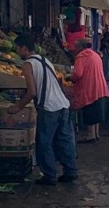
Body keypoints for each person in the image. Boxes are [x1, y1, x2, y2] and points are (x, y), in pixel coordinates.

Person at [8, 33, 77, 185]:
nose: (17, 52)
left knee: (44, 142)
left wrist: (18, 107)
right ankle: (70, 171)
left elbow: (31, 91)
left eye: (18, 49)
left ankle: (50, 176)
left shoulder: (28, 65)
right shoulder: (46, 60)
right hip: (62, 104)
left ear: (24, 49)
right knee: (64, 141)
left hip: (49, 107)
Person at [70, 38, 109, 143]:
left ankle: (91, 135)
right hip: (100, 86)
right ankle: (96, 134)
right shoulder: (95, 55)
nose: (73, 49)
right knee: (96, 111)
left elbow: (78, 74)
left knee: (90, 111)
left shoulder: (81, 56)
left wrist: (70, 78)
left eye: (75, 46)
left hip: (89, 87)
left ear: (80, 47)